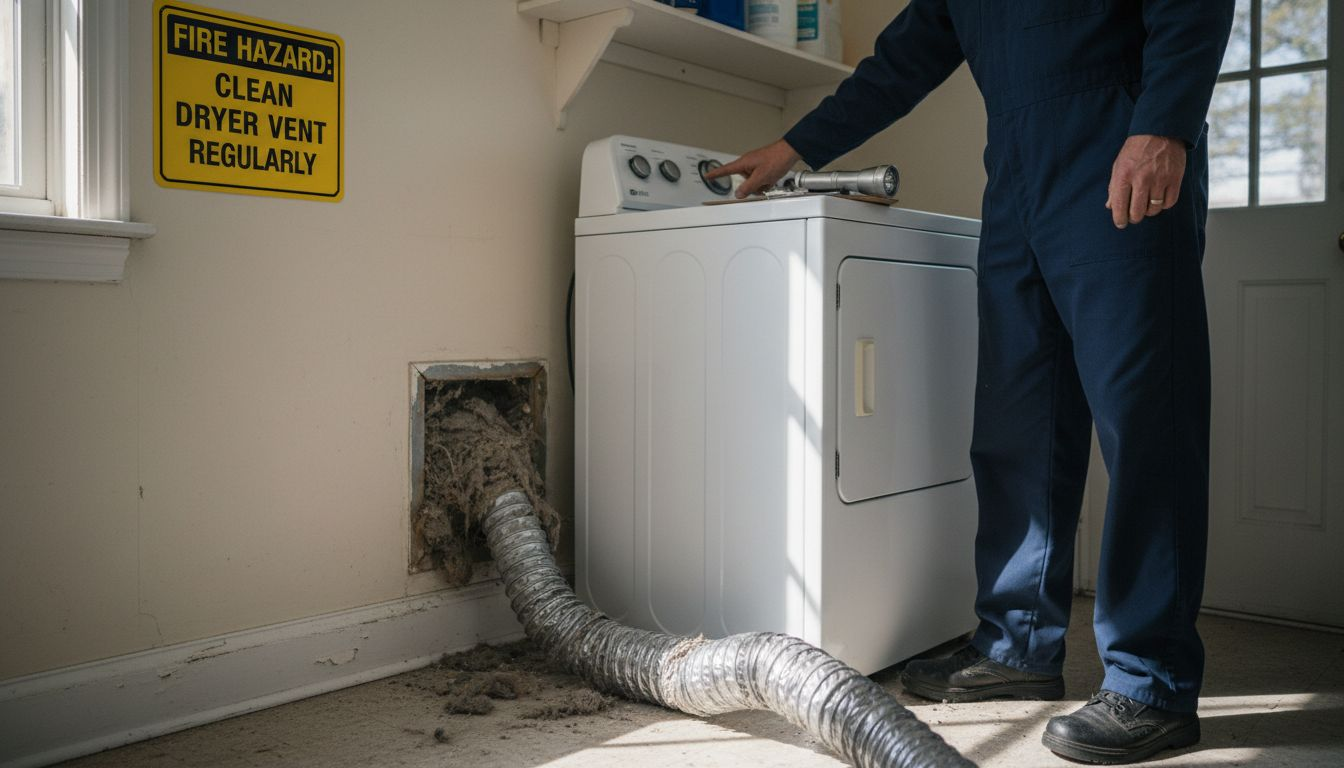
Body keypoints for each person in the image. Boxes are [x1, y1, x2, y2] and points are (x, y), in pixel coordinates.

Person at [706, 1, 1234, 764]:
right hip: (1018, 171)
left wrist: (1166, 126)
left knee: (1147, 425)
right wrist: (797, 144)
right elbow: (903, 62)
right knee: (1020, 424)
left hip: (1120, 144)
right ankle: (1017, 648)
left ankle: (1152, 681)